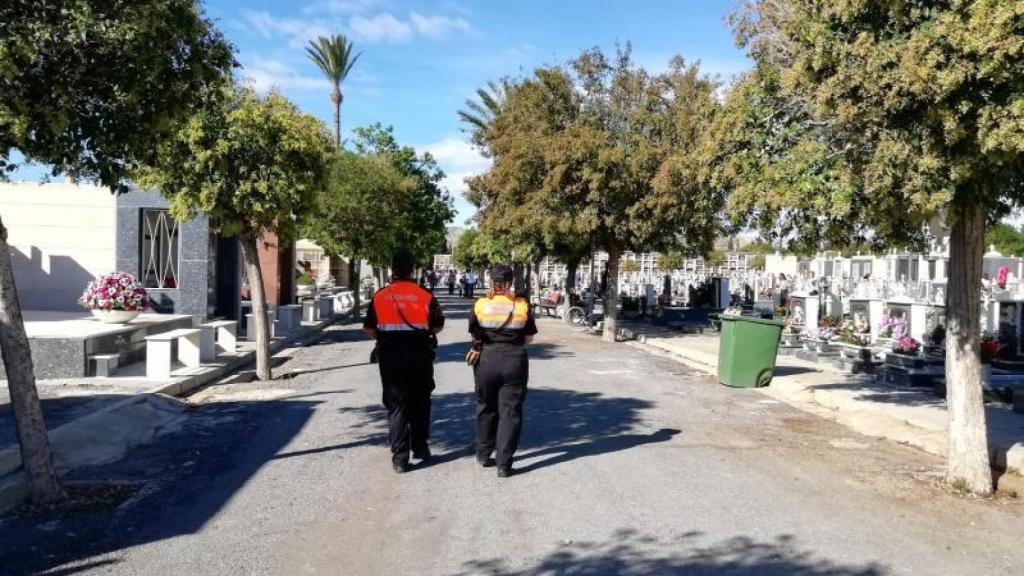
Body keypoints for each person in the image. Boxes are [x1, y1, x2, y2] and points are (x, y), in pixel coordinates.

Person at [363, 249, 445, 474]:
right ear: (412, 269)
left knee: (397, 405)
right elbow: (438, 325)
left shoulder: (381, 295)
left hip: (390, 356)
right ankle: (420, 447)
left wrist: (384, 336)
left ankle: (400, 458)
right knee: (420, 401)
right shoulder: (424, 295)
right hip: (420, 354)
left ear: (392, 268)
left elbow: (369, 328)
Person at [466, 264, 537, 478]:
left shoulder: (481, 304)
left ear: (491, 282)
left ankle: (483, 453)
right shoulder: (522, 305)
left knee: (486, 406)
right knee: (510, 412)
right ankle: (504, 465)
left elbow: (474, 332)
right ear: (510, 282)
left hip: (486, 359)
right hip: (514, 360)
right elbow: (529, 338)